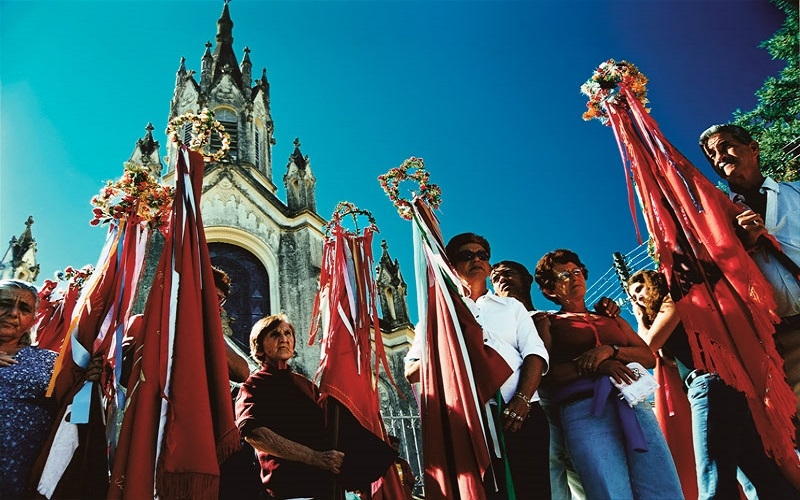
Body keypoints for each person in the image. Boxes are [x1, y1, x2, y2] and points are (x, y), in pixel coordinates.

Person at [628, 269, 797, 499]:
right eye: (632, 296)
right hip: (720, 386)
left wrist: (638, 318)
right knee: (758, 477)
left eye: (638, 289)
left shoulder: (672, 300)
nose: (636, 298)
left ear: (653, 282)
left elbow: (646, 347)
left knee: (713, 476)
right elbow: (660, 358)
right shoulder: (666, 314)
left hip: (708, 385)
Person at [406, 233, 551, 499]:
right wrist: (452, 346)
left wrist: (521, 400)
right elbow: (412, 371)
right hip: (470, 422)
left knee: (534, 491)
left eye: (482, 255)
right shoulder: (436, 315)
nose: (476, 259)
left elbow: (535, 353)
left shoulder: (511, 308)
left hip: (522, 413)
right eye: (466, 255)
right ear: (451, 265)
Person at [533, 249, 683, 499]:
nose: (573, 277)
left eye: (576, 271)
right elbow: (547, 376)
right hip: (584, 411)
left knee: (662, 486)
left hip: (634, 404)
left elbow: (647, 357)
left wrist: (610, 351)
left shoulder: (610, 318)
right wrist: (597, 367)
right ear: (549, 290)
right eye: (563, 275)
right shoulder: (548, 322)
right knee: (609, 489)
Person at [699, 123, 800, 433]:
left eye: (726, 145)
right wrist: (744, 244)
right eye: (712, 155)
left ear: (753, 148)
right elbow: (717, 276)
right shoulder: (718, 222)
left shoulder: (795, 191)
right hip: (785, 333)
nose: (719, 157)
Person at [235, 314, 345, 499]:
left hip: (325, 488)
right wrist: (315, 458)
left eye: (288, 333)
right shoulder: (253, 385)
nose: (284, 338)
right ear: (259, 347)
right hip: (288, 490)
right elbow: (254, 433)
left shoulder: (308, 385)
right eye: (274, 334)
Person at [0, 279, 59, 499]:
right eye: (4, 303)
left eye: (24, 308)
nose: (13, 313)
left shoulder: (49, 361)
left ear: (33, 320)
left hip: (18, 476)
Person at [388, 434, 416, 499]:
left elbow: (411, 480)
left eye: (397, 446)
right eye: (393, 446)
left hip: (403, 494)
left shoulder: (403, 463)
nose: (395, 448)